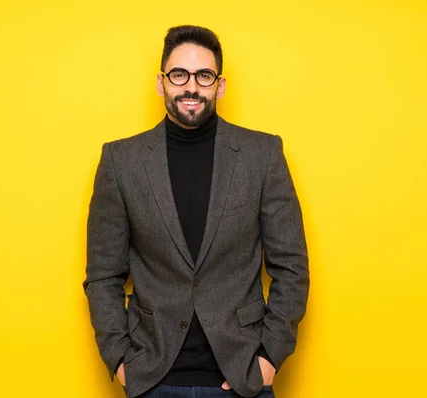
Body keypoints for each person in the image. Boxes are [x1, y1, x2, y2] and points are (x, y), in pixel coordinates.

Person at [83, 25, 309, 398]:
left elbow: (292, 267)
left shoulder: (263, 155)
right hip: (152, 378)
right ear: (161, 83)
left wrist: (268, 358)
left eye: (204, 76)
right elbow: (103, 274)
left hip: (243, 377)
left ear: (219, 85)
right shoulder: (120, 161)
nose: (191, 87)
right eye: (179, 75)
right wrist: (122, 361)